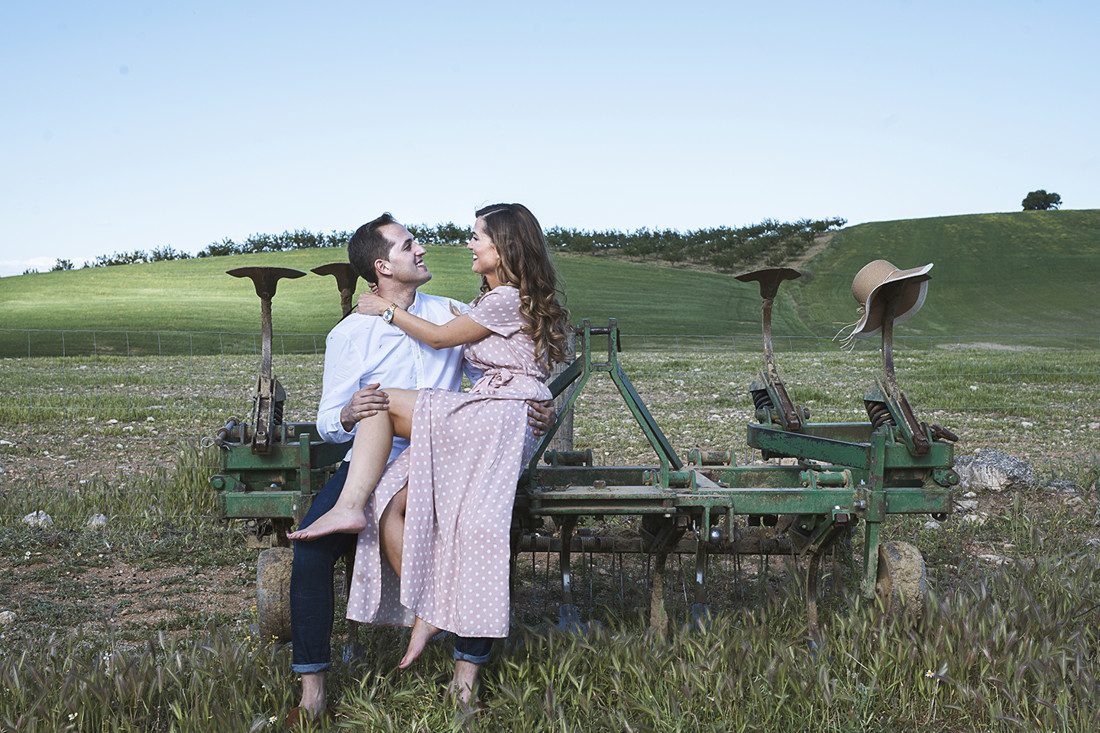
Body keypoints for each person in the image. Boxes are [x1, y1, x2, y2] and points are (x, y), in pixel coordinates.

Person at [289, 203, 569, 705]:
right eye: (408, 244)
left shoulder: (450, 312)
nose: (423, 248)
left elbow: (509, 359)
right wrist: (350, 412)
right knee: (309, 550)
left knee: (478, 528)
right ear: (382, 266)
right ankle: (312, 696)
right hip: (373, 456)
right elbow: (328, 424)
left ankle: (466, 680)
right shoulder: (350, 333)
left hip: (445, 450)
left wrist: (536, 403)